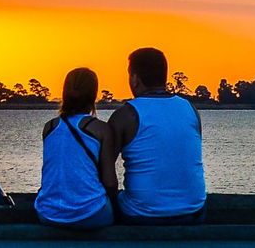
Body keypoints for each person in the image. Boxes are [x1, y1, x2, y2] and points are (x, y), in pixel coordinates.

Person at [107, 47, 206, 224]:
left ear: (135, 79)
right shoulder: (190, 109)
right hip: (193, 210)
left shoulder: (126, 115)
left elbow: (105, 170)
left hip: (141, 214)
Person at [34, 67, 117, 230]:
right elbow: (110, 183)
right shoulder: (101, 129)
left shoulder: (49, 128)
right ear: (93, 95)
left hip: (47, 214)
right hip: (92, 215)